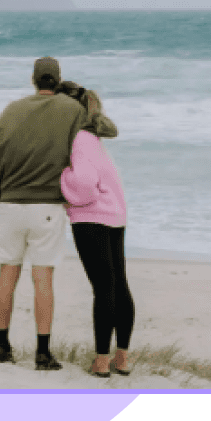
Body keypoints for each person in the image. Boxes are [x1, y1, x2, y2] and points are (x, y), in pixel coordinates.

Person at [0, 58, 87, 370]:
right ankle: (43, 353)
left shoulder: (11, 110)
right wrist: (78, 94)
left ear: (33, 80)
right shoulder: (72, 111)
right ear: (58, 80)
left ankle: (2, 347)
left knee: (7, 276)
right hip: (47, 208)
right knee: (43, 279)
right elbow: (103, 132)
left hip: (11, 206)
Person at [58, 81, 135, 378]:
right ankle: (122, 358)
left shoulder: (77, 139)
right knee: (119, 285)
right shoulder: (94, 138)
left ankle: (101, 361)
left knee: (103, 288)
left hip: (92, 217)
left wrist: (62, 177)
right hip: (115, 215)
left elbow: (84, 184)